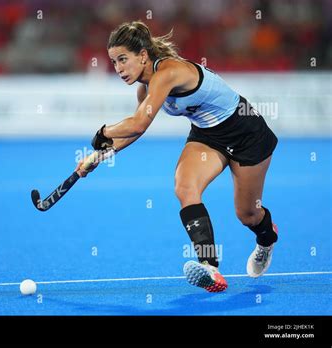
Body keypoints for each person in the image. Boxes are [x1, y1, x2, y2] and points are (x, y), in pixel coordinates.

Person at [75, 21, 278, 292]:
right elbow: (137, 130)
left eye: (123, 59)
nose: (119, 68)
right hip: (208, 136)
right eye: (114, 62)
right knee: (185, 188)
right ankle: (210, 267)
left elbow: (137, 123)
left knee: (247, 214)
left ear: (143, 56)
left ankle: (267, 238)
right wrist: (98, 156)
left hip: (247, 134)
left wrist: (103, 131)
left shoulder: (168, 72)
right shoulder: (144, 86)